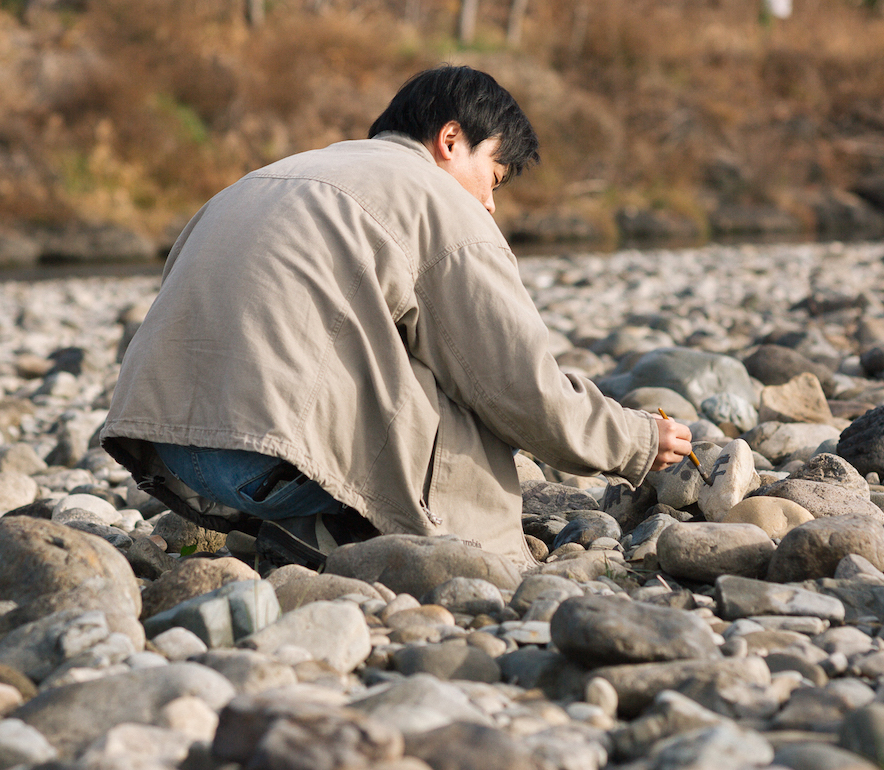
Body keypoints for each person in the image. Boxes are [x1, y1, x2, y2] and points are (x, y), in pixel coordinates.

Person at [101, 65, 692, 570]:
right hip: (268, 462)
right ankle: (360, 536)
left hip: (173, 456)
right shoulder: (436, 201)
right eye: (494, 175)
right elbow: (515, 386)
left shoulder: (265, 177)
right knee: (462, 384)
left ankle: (306, 528)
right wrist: (635, 438)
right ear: (451, 139)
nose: (489, 202)